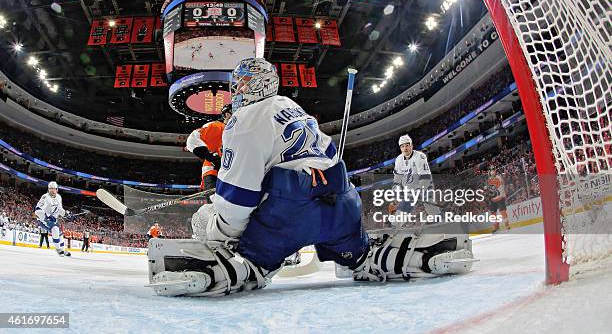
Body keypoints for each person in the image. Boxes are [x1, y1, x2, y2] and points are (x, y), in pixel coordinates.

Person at [147, 58, 474, 297]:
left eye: (241, 84)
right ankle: (427, 251)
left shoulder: (242, 120)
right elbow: (326, 158)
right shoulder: (291, 106)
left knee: (245, 258)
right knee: (366, 258)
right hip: (342, 205)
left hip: (287, 212)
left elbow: (237, 202)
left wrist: (219, 239)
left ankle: (208, 268)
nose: (238, 90)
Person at [185, 104, 233, 198]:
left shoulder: (241, 132)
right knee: (214, 202)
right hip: (212, 172)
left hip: (231, 174)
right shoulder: (218, 127)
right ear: (227, 115)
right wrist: (211, 157)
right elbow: (193, 138)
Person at [392, 134, 434, 216]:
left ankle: (440, 220)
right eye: (402, 146)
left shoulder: (420, 157)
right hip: (410, 190)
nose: (405, 148)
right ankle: (395, 226)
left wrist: (419, 191)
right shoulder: (398, 160)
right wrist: (397, 191)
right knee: (400, 213)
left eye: (407, 145)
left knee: (431, 208)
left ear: (411, 146)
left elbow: (425, 178)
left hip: (424, 187)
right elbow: (397, 179)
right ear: (400, 148)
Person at [34, 181, 71, 257]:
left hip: (53, 219)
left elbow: (60, 209)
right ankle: (58, 249)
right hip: (44, 220)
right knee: (55, 230)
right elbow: (37, 210)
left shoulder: (58, 197)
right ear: (48, 189)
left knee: (60, 235)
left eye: (53, 189)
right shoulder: (45, 197)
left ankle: (63, 250)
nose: (52, 190)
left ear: (57, 189)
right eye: (50, 189)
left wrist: (66, 214)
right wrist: (46, 216)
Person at [486, 166, 510, 232]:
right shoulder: (489, 179)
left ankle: (507, 225)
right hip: (493, 198)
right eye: (491, 170)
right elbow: (490, 189)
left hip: (500, 197)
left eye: (493, 170)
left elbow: (501, 187)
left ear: (495, 171)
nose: (492, 172)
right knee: (492, 212)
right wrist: (490, 196)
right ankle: (496, 225)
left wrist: (502, 195)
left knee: (503, 212)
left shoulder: (498, 178)